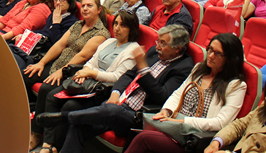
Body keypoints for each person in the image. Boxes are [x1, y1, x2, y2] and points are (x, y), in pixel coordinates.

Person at [41, 25, 194, 153]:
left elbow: (162, 97)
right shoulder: (154, 52)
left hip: (136, 116)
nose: (158, 46)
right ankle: (72, 119)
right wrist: (115, 93)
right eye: (158, 41)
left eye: (163, 43)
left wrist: (143, 69)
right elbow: (128, 75)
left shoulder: (184, 67)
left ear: (177, 49)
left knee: (112, 111)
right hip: (118, 103)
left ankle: (64, 117)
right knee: (80, 126)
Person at [36, 10, 142, 153]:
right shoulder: (109, 41)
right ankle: (47, 144)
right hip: (85, 82)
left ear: (131, 28)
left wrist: (91, 73)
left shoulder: (133, 49)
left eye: (123, 25)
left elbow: (117, 77)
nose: (117, 28)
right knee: (51, 95)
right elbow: (91, 61)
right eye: (116, 24)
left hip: (101, 91)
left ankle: (57, 147)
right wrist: (83, 73)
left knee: (70, 105)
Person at [124, 34, 247, 153]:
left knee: (144, 138)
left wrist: (183, 122)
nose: (210, 55)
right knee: (137, 128)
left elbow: (220, 122)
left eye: (218, 53)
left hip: (193, 137)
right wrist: (166, 111)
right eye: (210, 49)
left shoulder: (236, 86)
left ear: (230, 59)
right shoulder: (199, 69)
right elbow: (178, 93)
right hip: (173, 124)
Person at [25, 0, 111, 151]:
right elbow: (60, 44)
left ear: (99, 10)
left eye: (89, 6)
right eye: (83, 5)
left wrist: (61, 71)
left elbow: (83, 56)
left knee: (45, 88)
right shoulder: (77, 24)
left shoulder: (101, 33)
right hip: (57, 65)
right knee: (27, 73)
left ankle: (38, 133)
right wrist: (42, 62)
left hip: (72, 72)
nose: (85, 8)